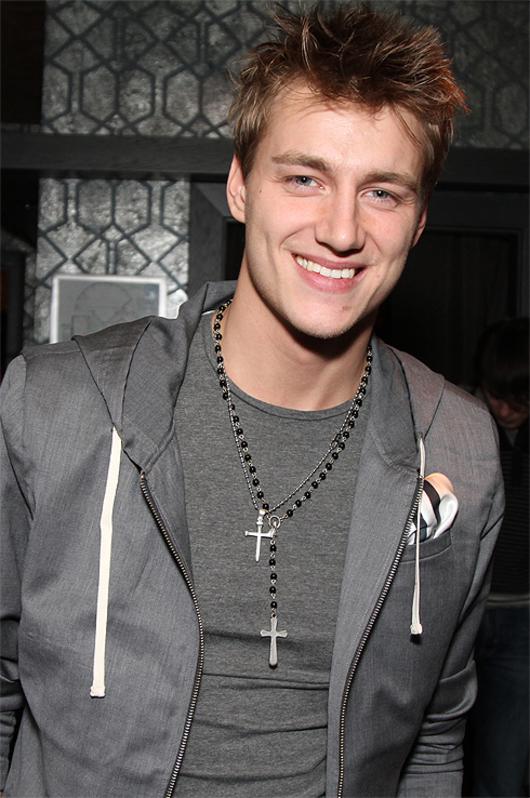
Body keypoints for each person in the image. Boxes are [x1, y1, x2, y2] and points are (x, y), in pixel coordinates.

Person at [0, 4, 503, 797]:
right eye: (304, 179)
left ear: (418, 220)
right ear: (240, 186)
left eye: (382, 192)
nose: (341, 230)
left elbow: (436, 734)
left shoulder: (459, 445)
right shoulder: (58, 404)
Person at [466, 318, 529, 797]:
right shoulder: (459, 422)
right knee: (433, 756)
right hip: (460, 616)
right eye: (495, 396)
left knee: (504, 771)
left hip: (522, 620)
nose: (504, 410)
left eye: (519, 401)